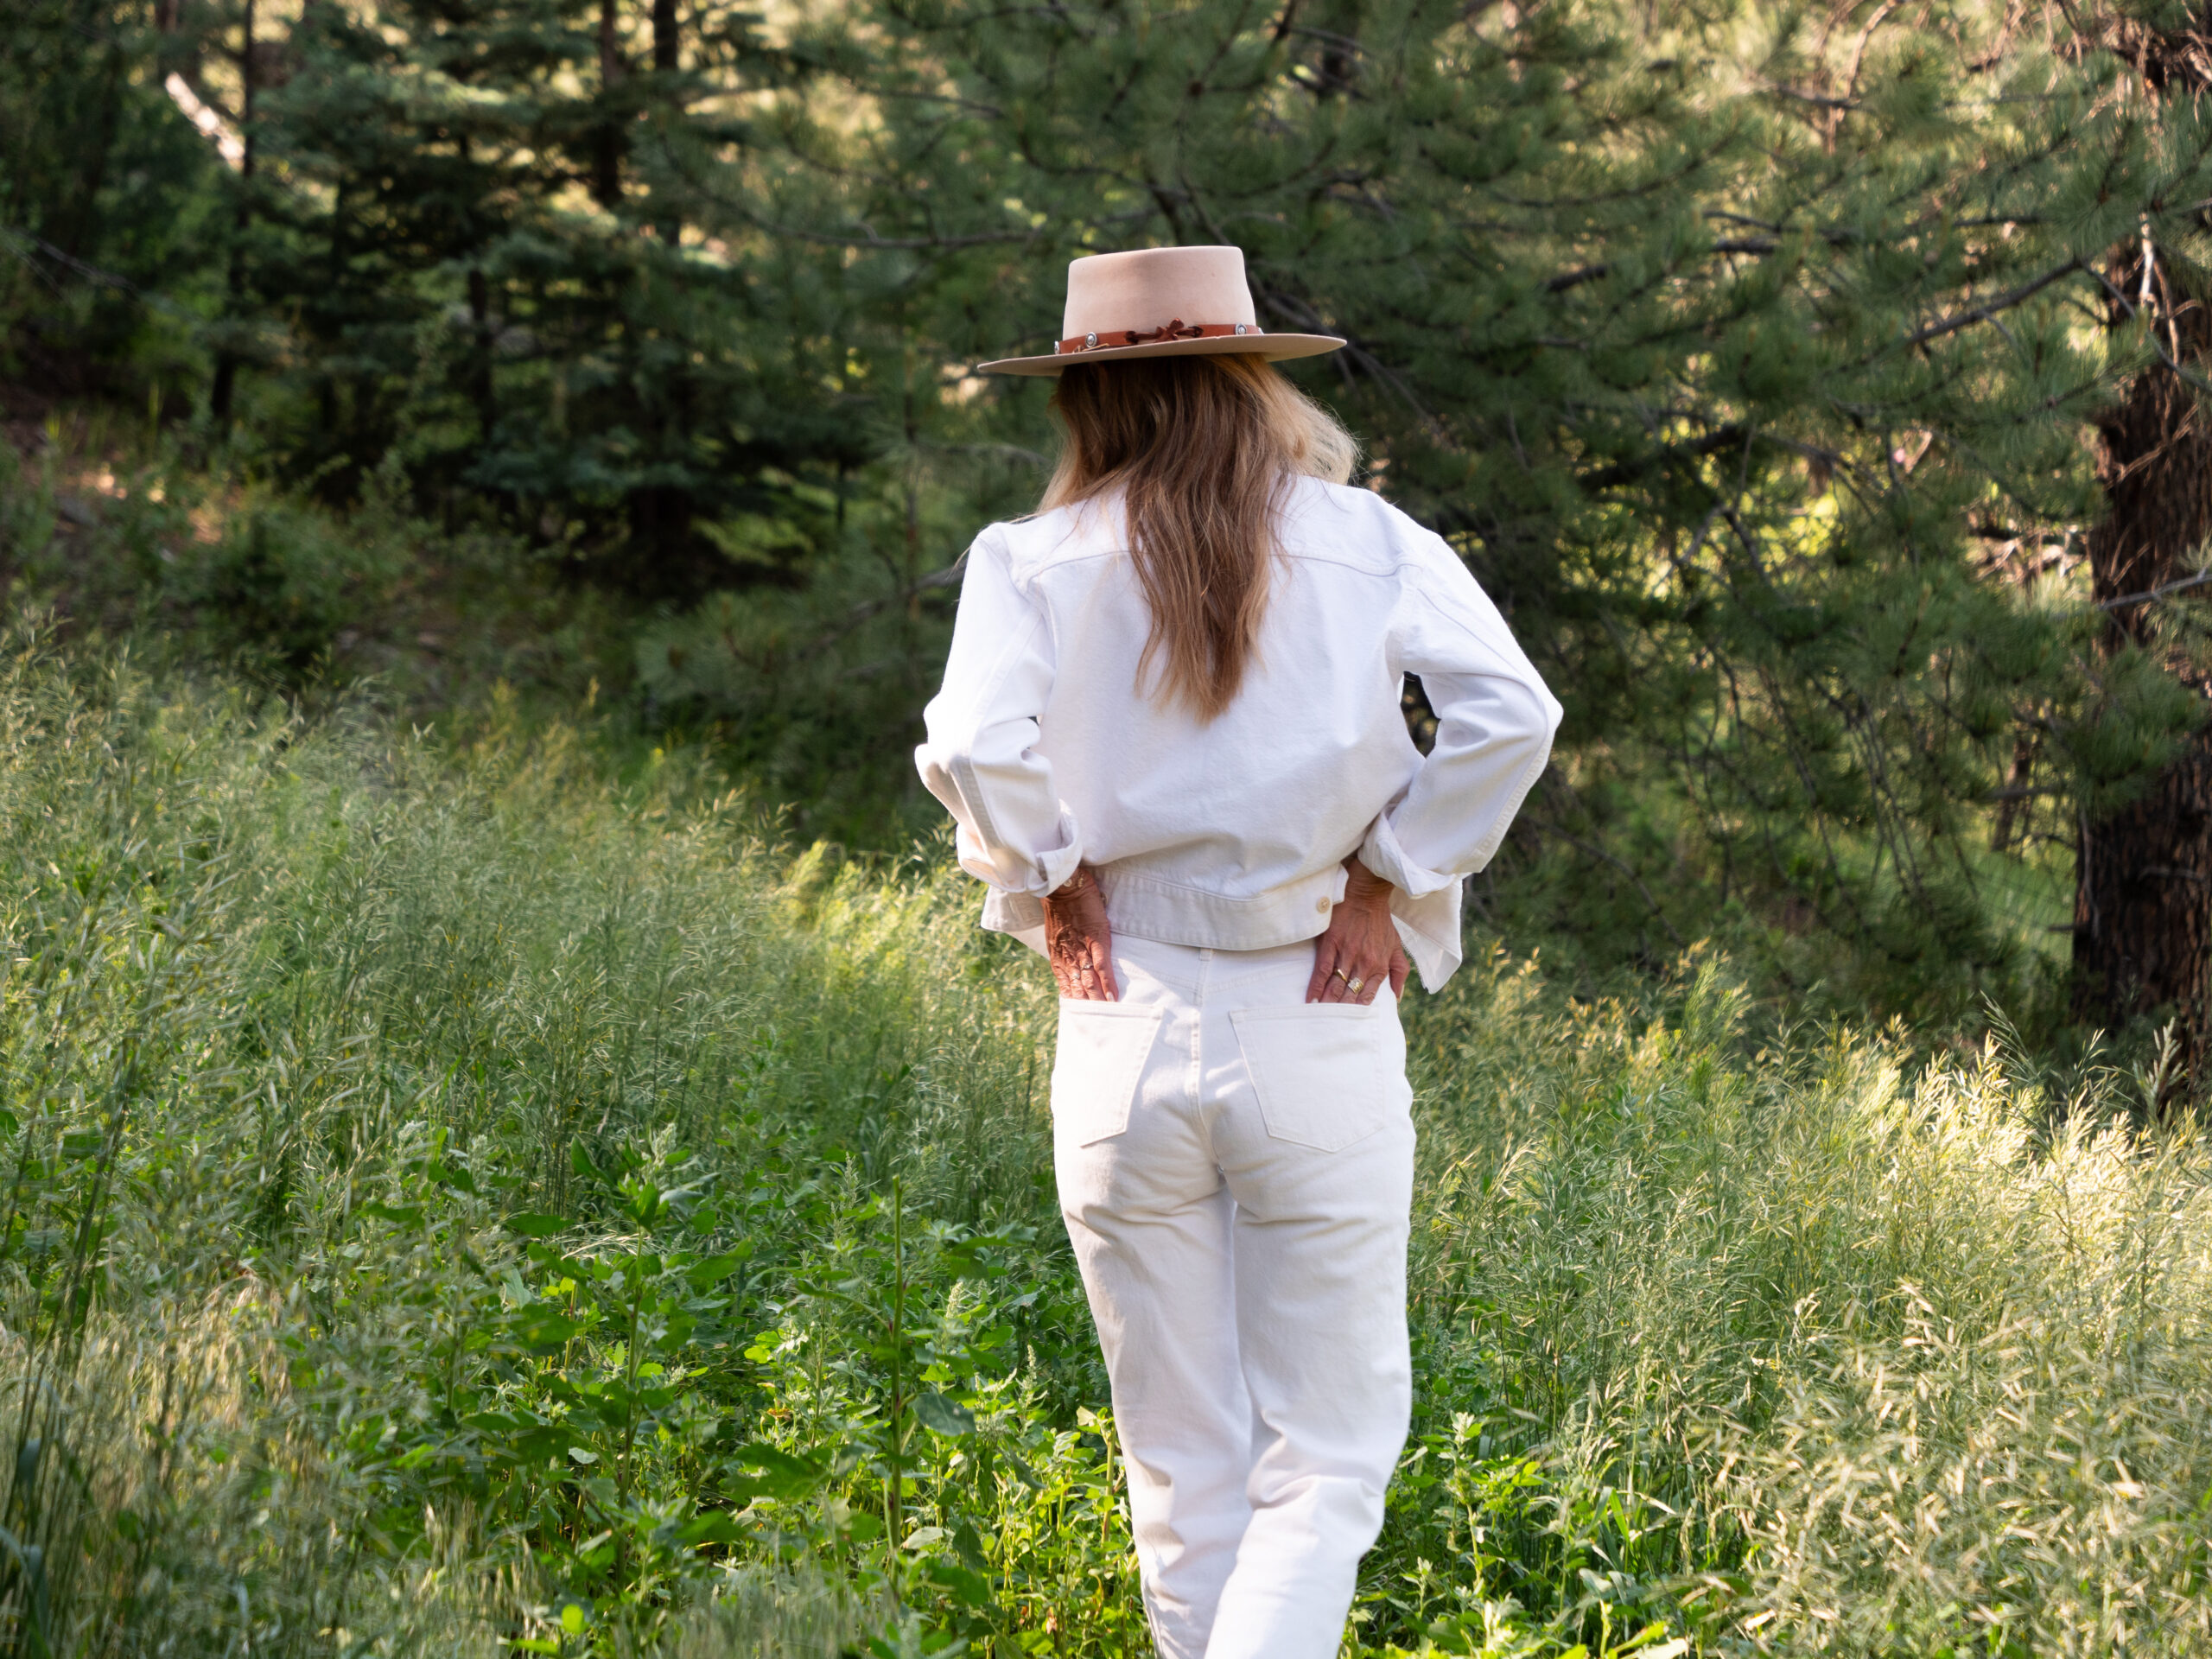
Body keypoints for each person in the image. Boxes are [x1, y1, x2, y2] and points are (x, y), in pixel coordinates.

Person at [915, 245, 1560, 1659]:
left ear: (1091, 399)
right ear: (1251, 378)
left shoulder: (1029, 559)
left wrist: (1055, 879)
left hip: (1118, 1015)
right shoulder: (1370, 540)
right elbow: (1514, 716)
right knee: (1322, 1462)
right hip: (1311, 1007)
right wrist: (1388, 879)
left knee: (1180, 1471)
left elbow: (966, 739)